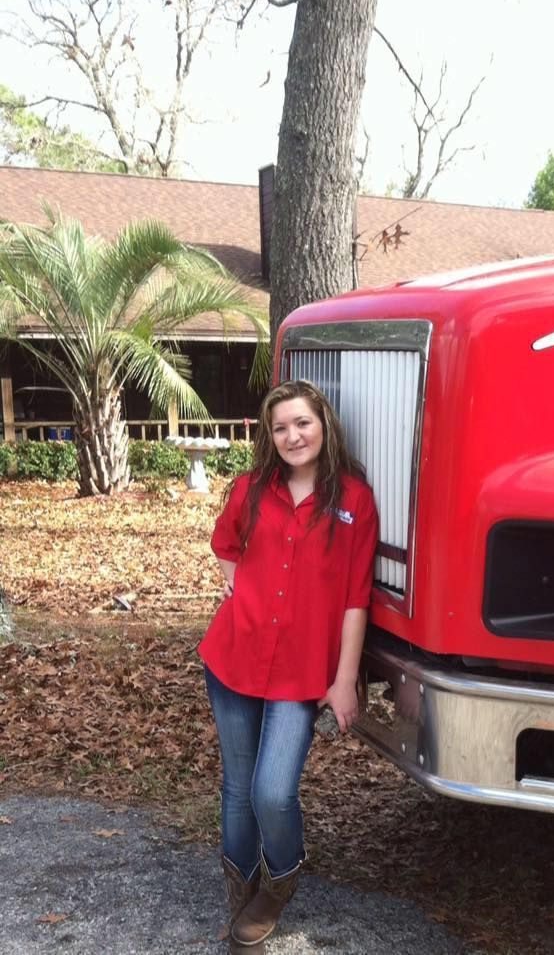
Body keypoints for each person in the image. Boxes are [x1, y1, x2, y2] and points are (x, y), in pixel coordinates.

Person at [198, 380, 378, 952]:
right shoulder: (251, 489)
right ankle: (241, 888)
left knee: (272, 792)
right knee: (237, 787)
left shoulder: (353, 499)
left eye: (301, 423)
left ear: (322, 424)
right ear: (268, 437)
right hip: (234, 658)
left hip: (302, 673)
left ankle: (278, 882)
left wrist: (344, 679)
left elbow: (356, 597)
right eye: (279, 428)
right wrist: (241, 593)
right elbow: (225, 545)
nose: (292, 436)